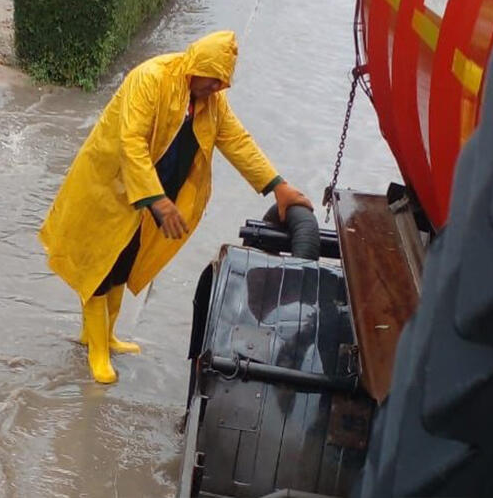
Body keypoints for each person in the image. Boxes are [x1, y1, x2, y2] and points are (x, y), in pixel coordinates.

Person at [39, 30, 313, 383]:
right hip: (111, 188)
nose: (216, 88)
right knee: (99, 264)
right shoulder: (151, 79)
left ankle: (105, 336)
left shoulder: (210, 102)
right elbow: (131, 142)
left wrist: (278, 186)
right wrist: (157, 200)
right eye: (213, 80)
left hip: (145, 197)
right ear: (197, 67)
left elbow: (237, 141)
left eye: (222, 83)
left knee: (123, 262)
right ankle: (96, 351)